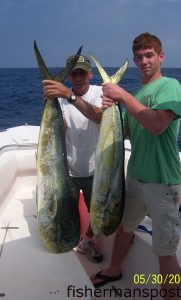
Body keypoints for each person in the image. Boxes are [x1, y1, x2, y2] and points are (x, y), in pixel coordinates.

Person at [91, 32, 181, 300]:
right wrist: (104, 105)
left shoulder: (170, 86)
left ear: (161, 57)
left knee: (165, 251)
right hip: (134, 178)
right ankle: (114, 268)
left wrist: (121, 94)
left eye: (149, 55)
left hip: (163, 181)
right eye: (139, 57)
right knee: (125, 228)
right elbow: (124, 130)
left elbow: (156, 125)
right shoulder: (138, 95)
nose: (144, 61)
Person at [43, 54, 103, 263]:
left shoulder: (99, 92)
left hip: (96, 171)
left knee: (98, 214)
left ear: (90, 74)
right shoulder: (58, 100)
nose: (78, 77)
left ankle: (86, 241)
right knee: (63, 209)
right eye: (74, 73)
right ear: (69, 75)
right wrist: (51, 104)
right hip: (66, 171)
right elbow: (57, 132)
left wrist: (69, 96)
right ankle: (67, 238)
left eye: (82, 73)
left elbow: (99, 116)